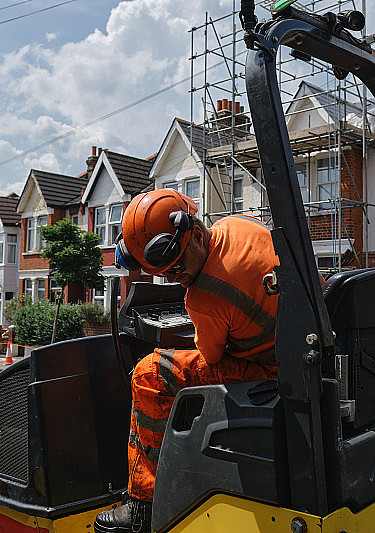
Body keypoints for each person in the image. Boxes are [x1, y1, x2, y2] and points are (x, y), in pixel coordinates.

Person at [95, 189, 279, 533]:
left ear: (194, 234)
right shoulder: (240, 224)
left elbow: (211, 355)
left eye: (176, 265)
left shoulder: (203, 298)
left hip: (269, 368)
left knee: (149, 373)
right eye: (162, 272)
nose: (172, 277)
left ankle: (142, 503)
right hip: (289, 346)